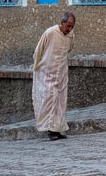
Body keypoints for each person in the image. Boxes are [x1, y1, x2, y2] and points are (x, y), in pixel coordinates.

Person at [32, 11, 76, 141]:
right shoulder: (50, 33)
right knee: (48, 100)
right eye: (68, 26)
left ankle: (57, 129)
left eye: (72, 26)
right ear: (62, 23)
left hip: (61, 73)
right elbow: (38, 51)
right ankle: (50, 130)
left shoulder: (71, 36)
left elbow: (69, 49)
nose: (69, 29)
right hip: (47, 72)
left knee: (60, 101)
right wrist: (37, 68)